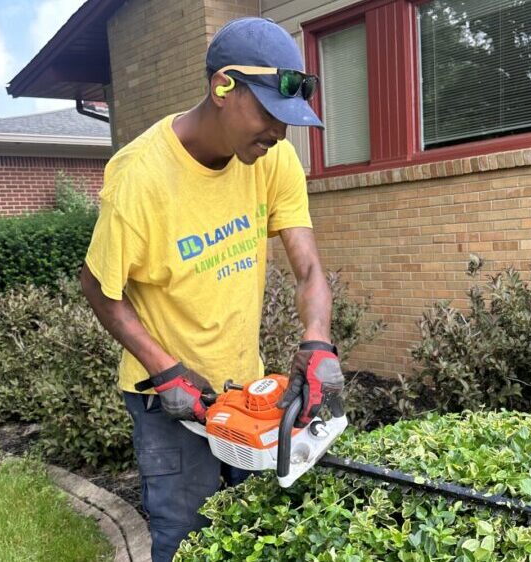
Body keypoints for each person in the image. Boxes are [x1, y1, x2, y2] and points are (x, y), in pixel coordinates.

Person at [79, 16, 344, 562]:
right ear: (223, 85)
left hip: (244, 389)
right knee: (185, 537)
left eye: (289, 121)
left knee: (251, 527)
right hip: (169, 399)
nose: (278, 133)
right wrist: (164, 368)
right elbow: (99, 286)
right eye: (270, 114)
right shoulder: (140, 178)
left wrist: (318, 343)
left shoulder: (273, 160)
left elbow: (309, 269)